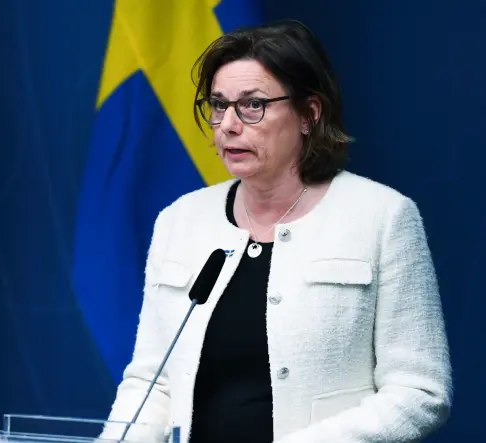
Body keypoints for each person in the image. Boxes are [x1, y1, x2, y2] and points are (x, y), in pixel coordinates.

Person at [100, 19, 452, 443]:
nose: (228, 125)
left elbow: (419, 392)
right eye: (218, 105)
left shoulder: (383, 217)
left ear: (309, 114)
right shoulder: (180, 220)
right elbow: (152, 382)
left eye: (253, 105)